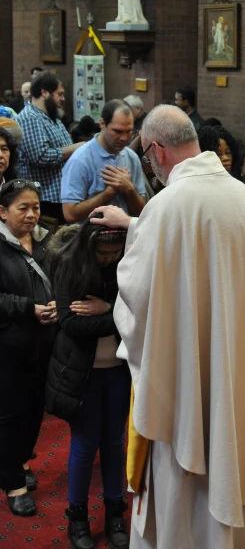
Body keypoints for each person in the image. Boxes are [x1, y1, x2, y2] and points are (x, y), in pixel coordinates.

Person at [90, 105, 245, 549]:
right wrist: (135, 223)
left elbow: (140, 292)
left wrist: (137, 231)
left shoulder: (169, 204)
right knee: (235, 444)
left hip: (189, 383)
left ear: (155, 151)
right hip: (239, 366)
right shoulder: (238, 193)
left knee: (187, 481)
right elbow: (197, 249)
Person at [46, 219, 130, 549]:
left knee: (113, 443)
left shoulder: (129, 264)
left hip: (119, 370)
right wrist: (120, 315)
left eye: (115, 252)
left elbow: (145, 315)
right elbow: (70, 324)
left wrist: (108, 309)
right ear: (89, 247)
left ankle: (115, 512)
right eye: (103, 253)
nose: (109, 258)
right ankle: (77, 517)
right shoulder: (70, 265)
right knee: (84, 444)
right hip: (81, 371)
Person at [0, 180, 57, 517]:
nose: (32, 214)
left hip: (44, 343)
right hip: (8, 345)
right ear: (3, 212)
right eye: (23, 208)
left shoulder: (47, 242)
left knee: (35, 410)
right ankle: (13, 485)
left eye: (35, 207)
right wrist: (27, 308)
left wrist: (56, 306)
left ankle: (19, 462)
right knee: (8, 415)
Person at [61, 99, 146, 223]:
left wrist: (129, 190)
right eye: (117, 131)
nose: (124, 138)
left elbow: (141, 214)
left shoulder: (131, 158)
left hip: (124, 238)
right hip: (90, 239)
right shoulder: (80, 160)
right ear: (102, 124)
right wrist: (109, 192)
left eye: (129, 131)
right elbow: (70, 214)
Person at [17, 73, 83, 222]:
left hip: (62, 195)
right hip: (46, 199)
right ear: (44, 92)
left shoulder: (53, 118)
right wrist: (77, 147)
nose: (62, 98)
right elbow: (41, 156)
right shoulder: (30, 117)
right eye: (59, 94)